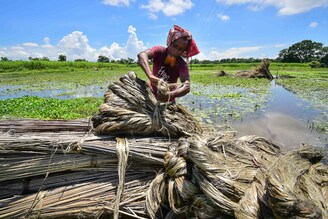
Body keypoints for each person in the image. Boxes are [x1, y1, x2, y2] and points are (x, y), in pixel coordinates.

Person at [137, 25, 200, 102]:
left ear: (183, 51)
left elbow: (186, 86)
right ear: (170, 42)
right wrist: (150, 76)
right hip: (151, 96)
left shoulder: (181, 64)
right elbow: (142, 55)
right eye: (174, 46)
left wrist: (170, 95)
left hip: (169, 101)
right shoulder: (160, 51)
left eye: (180, 49)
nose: (175, 51)